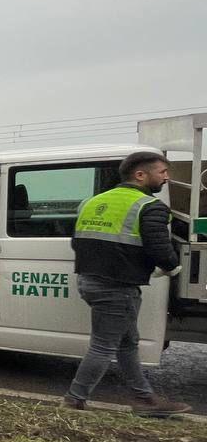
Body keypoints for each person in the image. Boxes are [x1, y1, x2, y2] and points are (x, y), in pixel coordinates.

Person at [64, 151, 190, 417]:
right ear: (140, 175)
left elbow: (77, 242)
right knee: (103, 346)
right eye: (162, 172)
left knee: (127, 342)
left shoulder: (93, 202)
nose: (166, 178)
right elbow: (159, 246)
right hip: (117, 287)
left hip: (89, 280)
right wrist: (174, 268)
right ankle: (74, 400)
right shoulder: (149, 206)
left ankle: (144, 399)